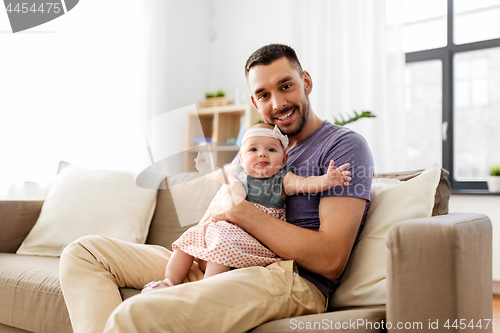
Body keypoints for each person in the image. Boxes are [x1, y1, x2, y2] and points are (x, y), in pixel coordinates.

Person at [59, 43, 374, 333]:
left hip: (285, 275)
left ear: (306, 81)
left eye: (286, 86)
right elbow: (220, 196)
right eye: (263, 95)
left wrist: (240, 213)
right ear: (254, 101)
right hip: (211, 255)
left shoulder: (342, 147)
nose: (277, 103)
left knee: (136, 314)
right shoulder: (252, 148)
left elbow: (330, 261)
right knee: (84, 252)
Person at [141, 123, 352, 292]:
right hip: (224, 228)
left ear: (284, 158)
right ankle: (169, 282)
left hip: (256, 237)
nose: (262, 154)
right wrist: (205, 168)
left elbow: (307, 185)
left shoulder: (283, 178)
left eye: (271, 149)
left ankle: (205, 291)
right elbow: (216, 175)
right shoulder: (236, 173)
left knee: (222, 241)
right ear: (241, 158)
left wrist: (328, 180)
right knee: (191, 236)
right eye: (253, 149)